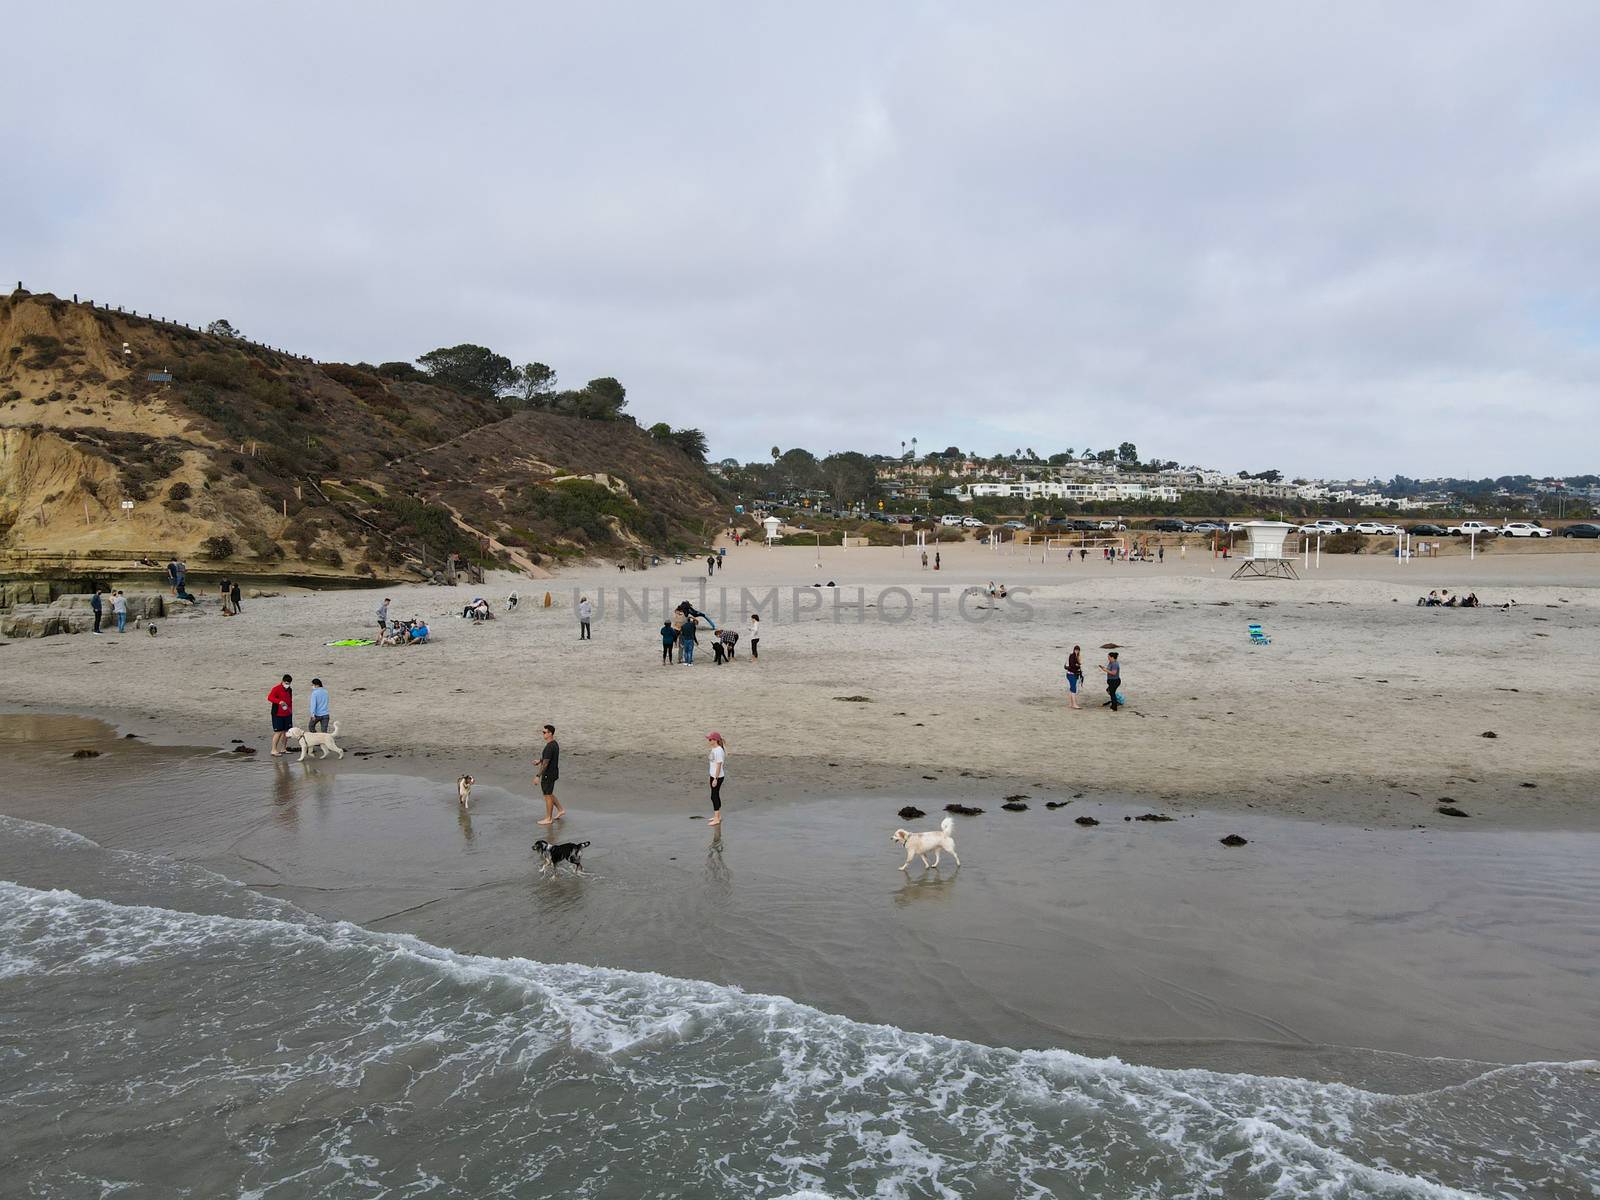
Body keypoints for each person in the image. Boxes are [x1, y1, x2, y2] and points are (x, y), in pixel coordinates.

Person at [535, 724, 564, 826]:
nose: (543, 734)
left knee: (547, 796)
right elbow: (548, 758)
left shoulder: (549, 747)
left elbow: (546, 764)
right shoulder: (554, 744)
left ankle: (548, 818)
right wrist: (540, 760)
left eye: (544, 732)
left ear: (550, 733)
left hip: (548, 774)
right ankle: (560, 810)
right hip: (554, 773)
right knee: (550, 793)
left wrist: (538, 776)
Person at [268, 675, 293, 756]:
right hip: (277, 714)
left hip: (287, 714)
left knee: (286, 732)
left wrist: (290, 711)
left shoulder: (289, 689)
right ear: (282, 681)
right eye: (286, 683)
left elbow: (290, 701)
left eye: (289, 683)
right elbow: (270, 698)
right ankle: (273, 750)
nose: (287, 684)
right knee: (278, 732)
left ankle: (283, 749)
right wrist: (279, 701)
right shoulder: (276, 688)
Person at [706, 732, 727, 827]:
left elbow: (719, 765)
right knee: (715, 795)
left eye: (710, 739)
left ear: (715, 740)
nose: (709, 741)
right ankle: (717, 816)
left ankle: (717, 819)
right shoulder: (714, 749)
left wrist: (715, 779)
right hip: (713, 776)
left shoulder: (718, 751)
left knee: (714, 796)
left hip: (717, 777)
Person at [1065, 645, 1083, 710]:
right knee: (1073, 689)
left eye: (1078, 650)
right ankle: (1074, 704)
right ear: (1074, 650)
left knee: (1071, 688)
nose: (1077, 651)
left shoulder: (1076, 656)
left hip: (1072, 674)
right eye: (1076, 650)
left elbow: (1079, 664)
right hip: (1071, 674)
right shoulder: (1072, 656)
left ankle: (1071, 703)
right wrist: (1077, 666)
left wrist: (1077, 664)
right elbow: (1073, 665)